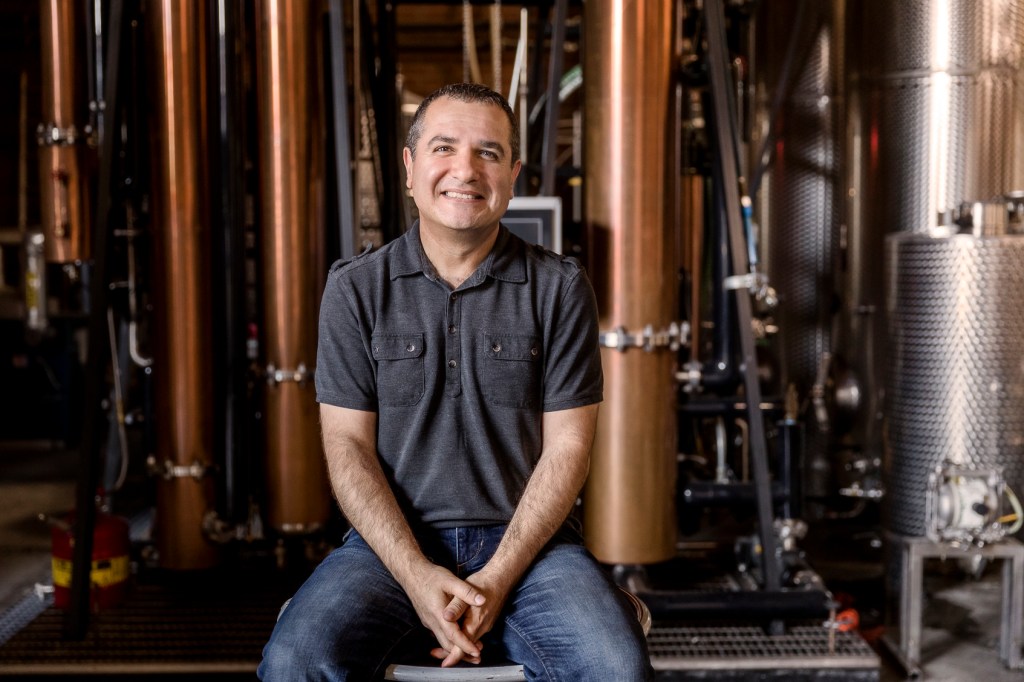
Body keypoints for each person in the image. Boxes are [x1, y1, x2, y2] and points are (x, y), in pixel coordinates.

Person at [258, 82, 652, 681]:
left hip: (534, 552)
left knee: (614, 665)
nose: (464, 170)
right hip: (387, 549)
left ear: (513, 174)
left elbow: (569, 447)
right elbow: (347, 448)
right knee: (294, 661)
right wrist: (415, 574)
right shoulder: (355, 289)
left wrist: (497, 577)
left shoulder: (560, 288)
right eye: (443, 148)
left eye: (488, 153)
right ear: (411, 168)